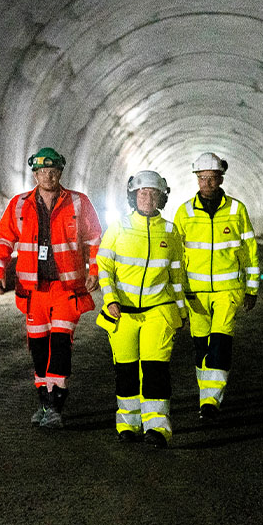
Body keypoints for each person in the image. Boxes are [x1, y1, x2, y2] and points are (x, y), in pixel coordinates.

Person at [0, 147, 102, 428]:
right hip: (33, 293)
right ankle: (44, 400)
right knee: (38, 348)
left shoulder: (78, 203)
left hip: (67, 289)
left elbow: (97, 239)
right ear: (35, 174)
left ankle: (55, 407)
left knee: (61, 345)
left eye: (52, 172)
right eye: (42, 172)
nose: (47, 176)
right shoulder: (19, 205)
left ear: (60, 173)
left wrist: (95, 270)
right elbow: (3, 240)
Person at [95, 170, 187, 449]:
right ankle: (128, 424)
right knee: (126, 371)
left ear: (162, 197)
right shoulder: (118, 227)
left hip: (159, 311)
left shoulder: (170, 232)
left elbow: (176, 275)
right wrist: (110, 299)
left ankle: (157, 428)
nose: (147, 197)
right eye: (142, 193)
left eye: (153, 193)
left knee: (155, 370)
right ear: (133, 197)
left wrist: (181, 311)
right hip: (121, 313)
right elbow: (104, 267)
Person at [173, 152, 260, 421]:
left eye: (212, 178)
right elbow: (175, 256)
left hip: (228, 290)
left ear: (221, 178)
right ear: (196, 179)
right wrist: (178, 293)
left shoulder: (237, 210)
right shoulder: (184, 212)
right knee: (201, 347)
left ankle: (211, 399)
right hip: (195, 293)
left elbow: (249, 250)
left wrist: (252, 288)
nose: (207, 183)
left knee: (220, 342)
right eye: (202, 178)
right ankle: (206, 395)